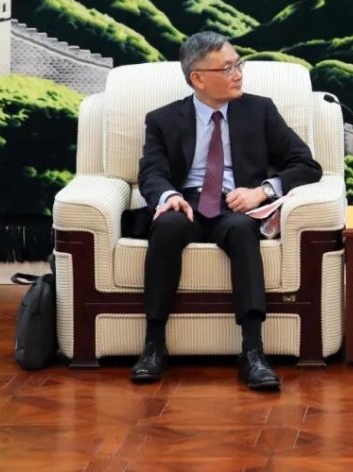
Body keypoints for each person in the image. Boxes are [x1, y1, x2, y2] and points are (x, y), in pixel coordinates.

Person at [131, 31, 322, 390]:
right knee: (168, 226)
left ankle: (253, 352)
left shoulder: (260, 110)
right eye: (228, 68)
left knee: (240, 230)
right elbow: (151, 172)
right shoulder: (163, 119)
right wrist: (167, 195)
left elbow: (307, 165)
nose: (238, 74)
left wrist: (263, 191)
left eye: (239, 64)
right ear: (197, 78)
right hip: (186, 202)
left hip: (236, 203)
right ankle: (154, 345)